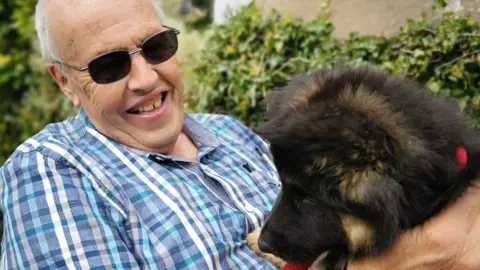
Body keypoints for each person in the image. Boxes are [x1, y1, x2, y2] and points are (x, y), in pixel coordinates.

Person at [0, 0, 479, 269]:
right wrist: (435, 252)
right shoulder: (51, 169)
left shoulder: (234, 135)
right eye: (108, 66)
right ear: (64, 82)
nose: (145, 79)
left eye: (156, 46)